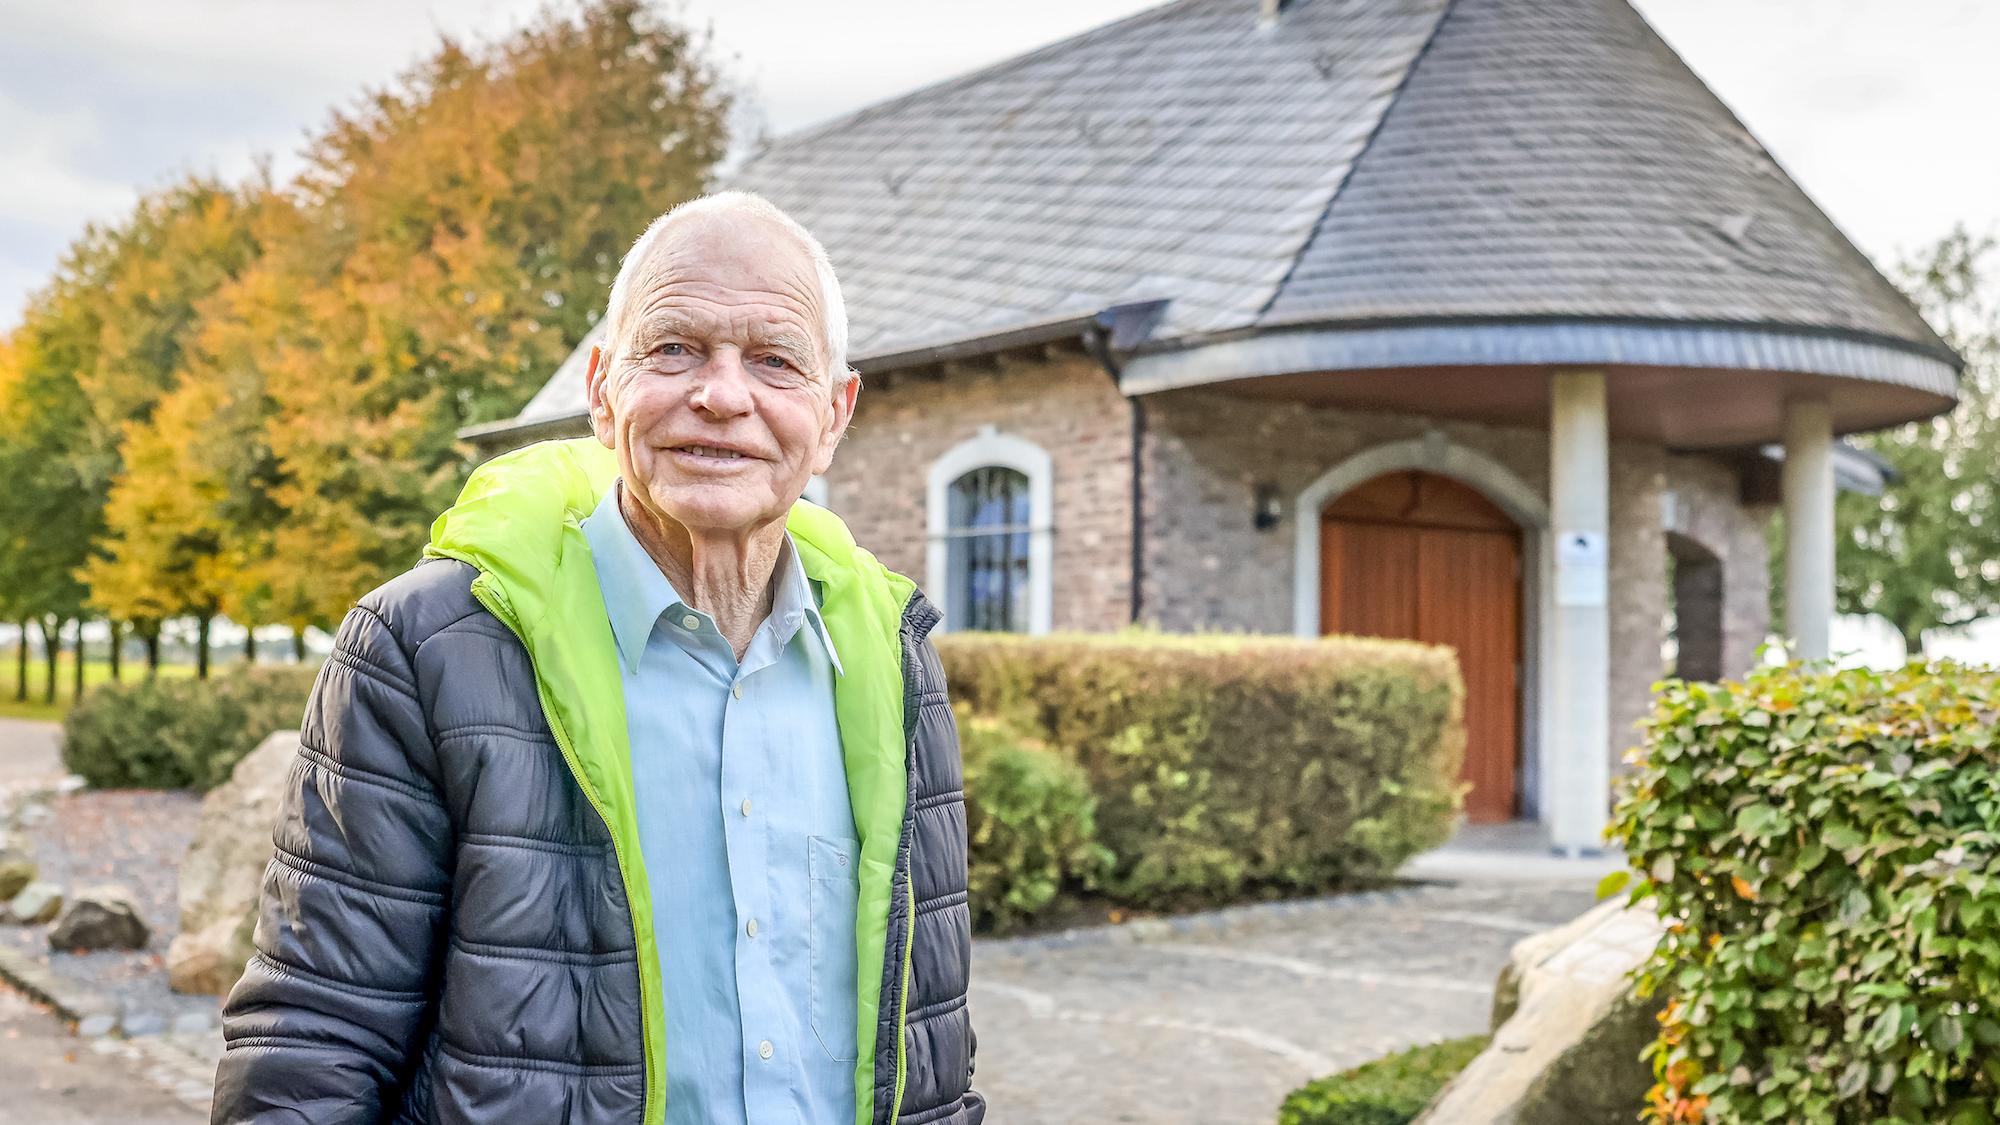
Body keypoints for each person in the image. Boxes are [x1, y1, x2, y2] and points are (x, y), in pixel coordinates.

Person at [211, 192, 983, 1125]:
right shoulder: (424, 649)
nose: (723, 395)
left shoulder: (896, 669)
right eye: (674, 349)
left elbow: (932, 1042)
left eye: (774, 360)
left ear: (834, 413)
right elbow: (312, 1045)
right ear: (602, 387)